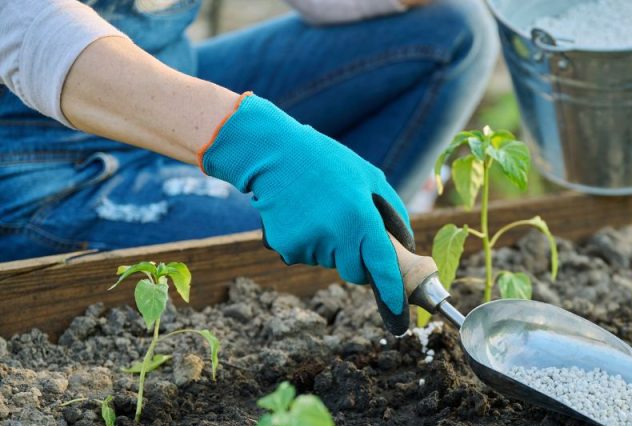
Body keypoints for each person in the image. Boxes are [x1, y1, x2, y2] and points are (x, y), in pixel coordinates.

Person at [0, 0, 498, 333]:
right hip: (38, 164)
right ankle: (335, 263)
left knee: (451, 34)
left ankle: (352, 225)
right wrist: (259, 146)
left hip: (174, 78)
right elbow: (25, 26)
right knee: (290, 245)